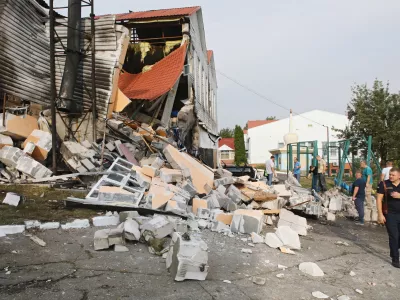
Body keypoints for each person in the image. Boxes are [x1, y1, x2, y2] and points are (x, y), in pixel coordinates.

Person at [376, 167, 400, 268]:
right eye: (390, 174)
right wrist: (380, 214)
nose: (390, 176)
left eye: (393, 175)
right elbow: (379, 199)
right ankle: (395, 258)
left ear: (399, 176)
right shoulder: (384, 184)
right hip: (390, 214)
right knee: (393, 236)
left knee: (398, 237)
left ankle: (396, 247)